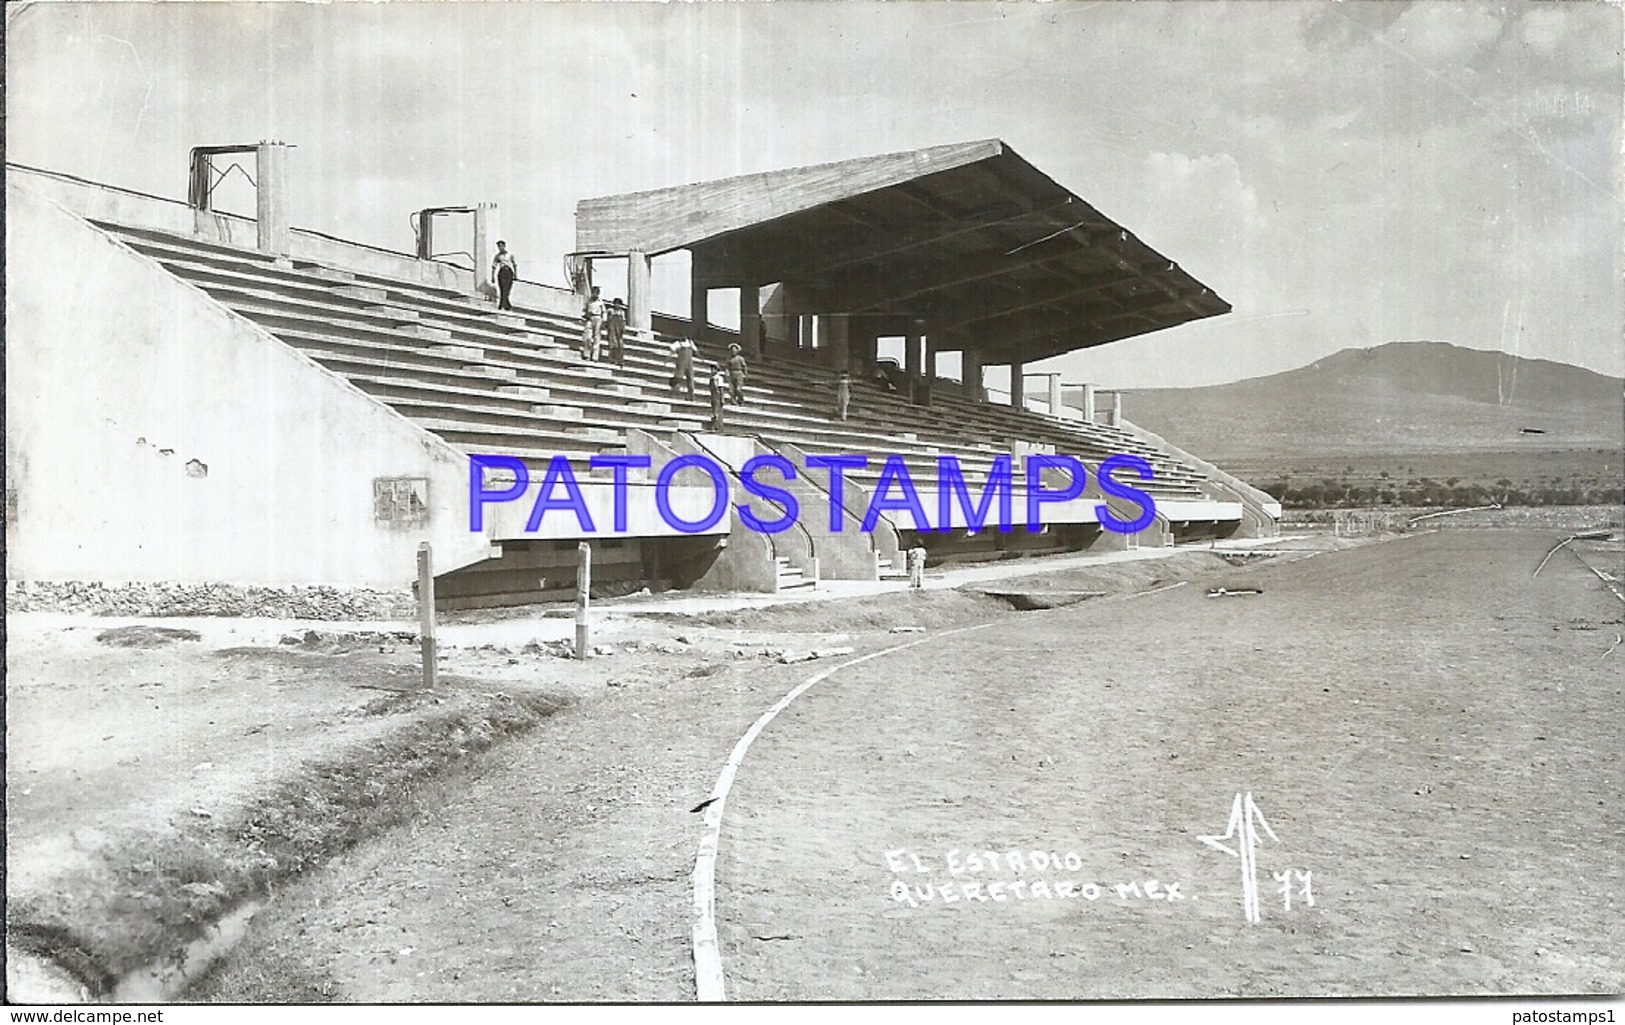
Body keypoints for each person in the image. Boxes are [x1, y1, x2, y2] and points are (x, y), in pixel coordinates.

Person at [491, 241, 518, 311]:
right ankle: (504, 305)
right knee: (502, 288)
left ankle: (504, 305)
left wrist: (515, 274)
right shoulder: (497, 256)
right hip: (502, 271)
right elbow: (494, 266)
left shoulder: (510, 255)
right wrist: (492, 276)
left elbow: (514, 264)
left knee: (507, 289)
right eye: (499, 246)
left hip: (508, 272)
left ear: (504, 246)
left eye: (501, 246)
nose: (500, 248)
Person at [581, 287, 606, 361]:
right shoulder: (588, 301)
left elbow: (604, 312)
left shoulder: (600, 302)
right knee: (587, 337)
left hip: (597, 318)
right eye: (593, 292)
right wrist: (585, 316)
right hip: (590, 318)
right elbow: (584, 310)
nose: (594, 294)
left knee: (596, 337)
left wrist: (604, 321)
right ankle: (587, 354)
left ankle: (595, 356)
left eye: (596, 293)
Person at [606, 298, 627, 366]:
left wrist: (623, 329)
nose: (617, 305)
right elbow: (608, 320)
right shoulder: (611, 311)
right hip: (612, 329)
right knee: (613, 344)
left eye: (619, 304)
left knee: (620, 344)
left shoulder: (622, 312)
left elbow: (623, 321)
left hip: (619, 329)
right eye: (616, 303)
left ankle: (620, 360)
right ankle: (612, 359)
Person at [708, 363, 728, 432]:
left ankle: (716, 426)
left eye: (714, 369)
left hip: (717, 395)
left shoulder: (719, 378)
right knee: (713, 410)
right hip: (713, 395)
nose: (712, 370)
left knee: (717, 412)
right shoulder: (712, 378)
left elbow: (721, 389)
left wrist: (722, 398)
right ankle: (714, 425)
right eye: (711, 369)